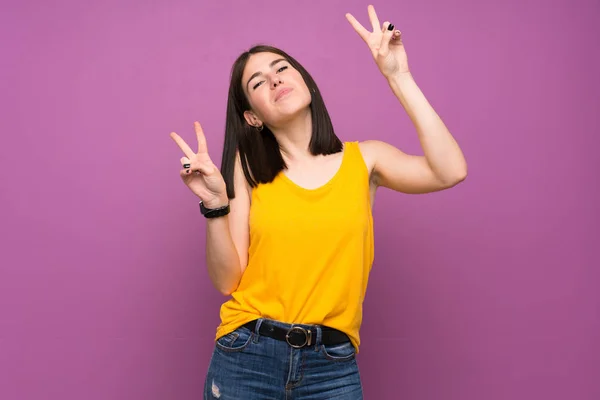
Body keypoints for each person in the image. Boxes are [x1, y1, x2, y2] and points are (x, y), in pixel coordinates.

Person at [170, 5, 467, 399]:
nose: (274, 80)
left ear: (305, 81)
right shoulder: (247, 168)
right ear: (253, 117)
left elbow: (450, 171)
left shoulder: (367, 159)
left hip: (332, 365)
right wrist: (214, 207)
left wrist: (399, 76)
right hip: (247, 355)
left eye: (281, 69)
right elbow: (226, 281)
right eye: (258, 83)